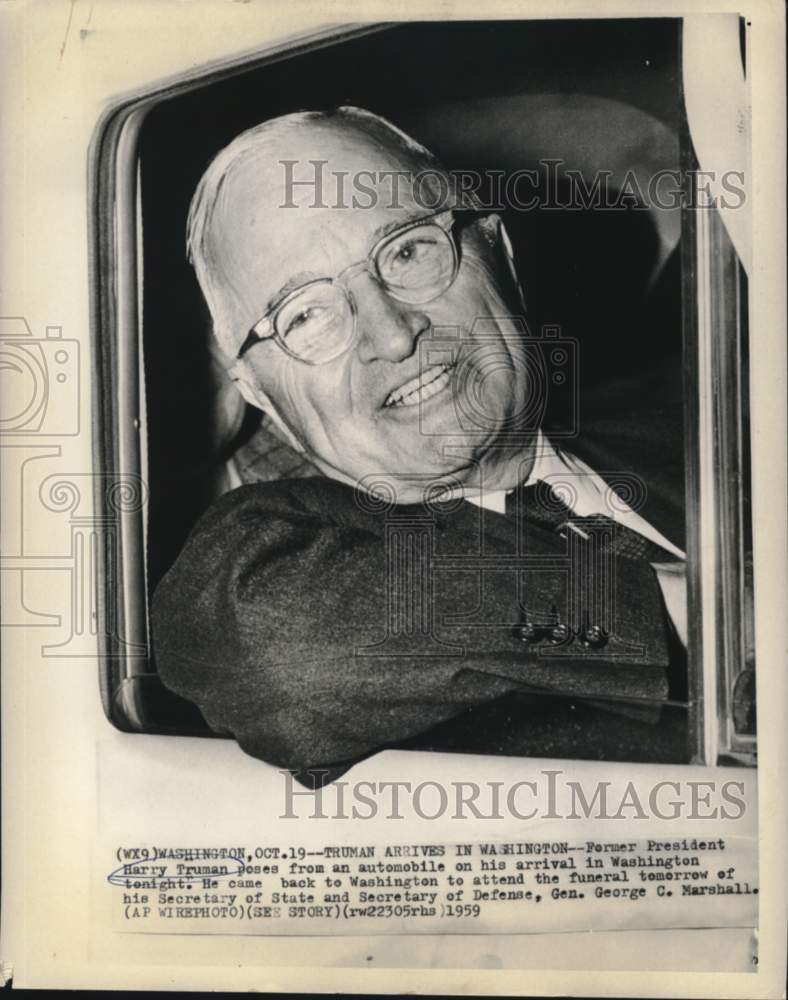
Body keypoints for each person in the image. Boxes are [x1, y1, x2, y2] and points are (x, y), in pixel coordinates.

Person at [151, 106, 687, 781]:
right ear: (260, 394)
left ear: (499, 251)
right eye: (307, 315)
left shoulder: (707, 439)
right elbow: (277, 650)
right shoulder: (285, 565)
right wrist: (678, 609)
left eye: (407, 250)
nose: (393, 333)